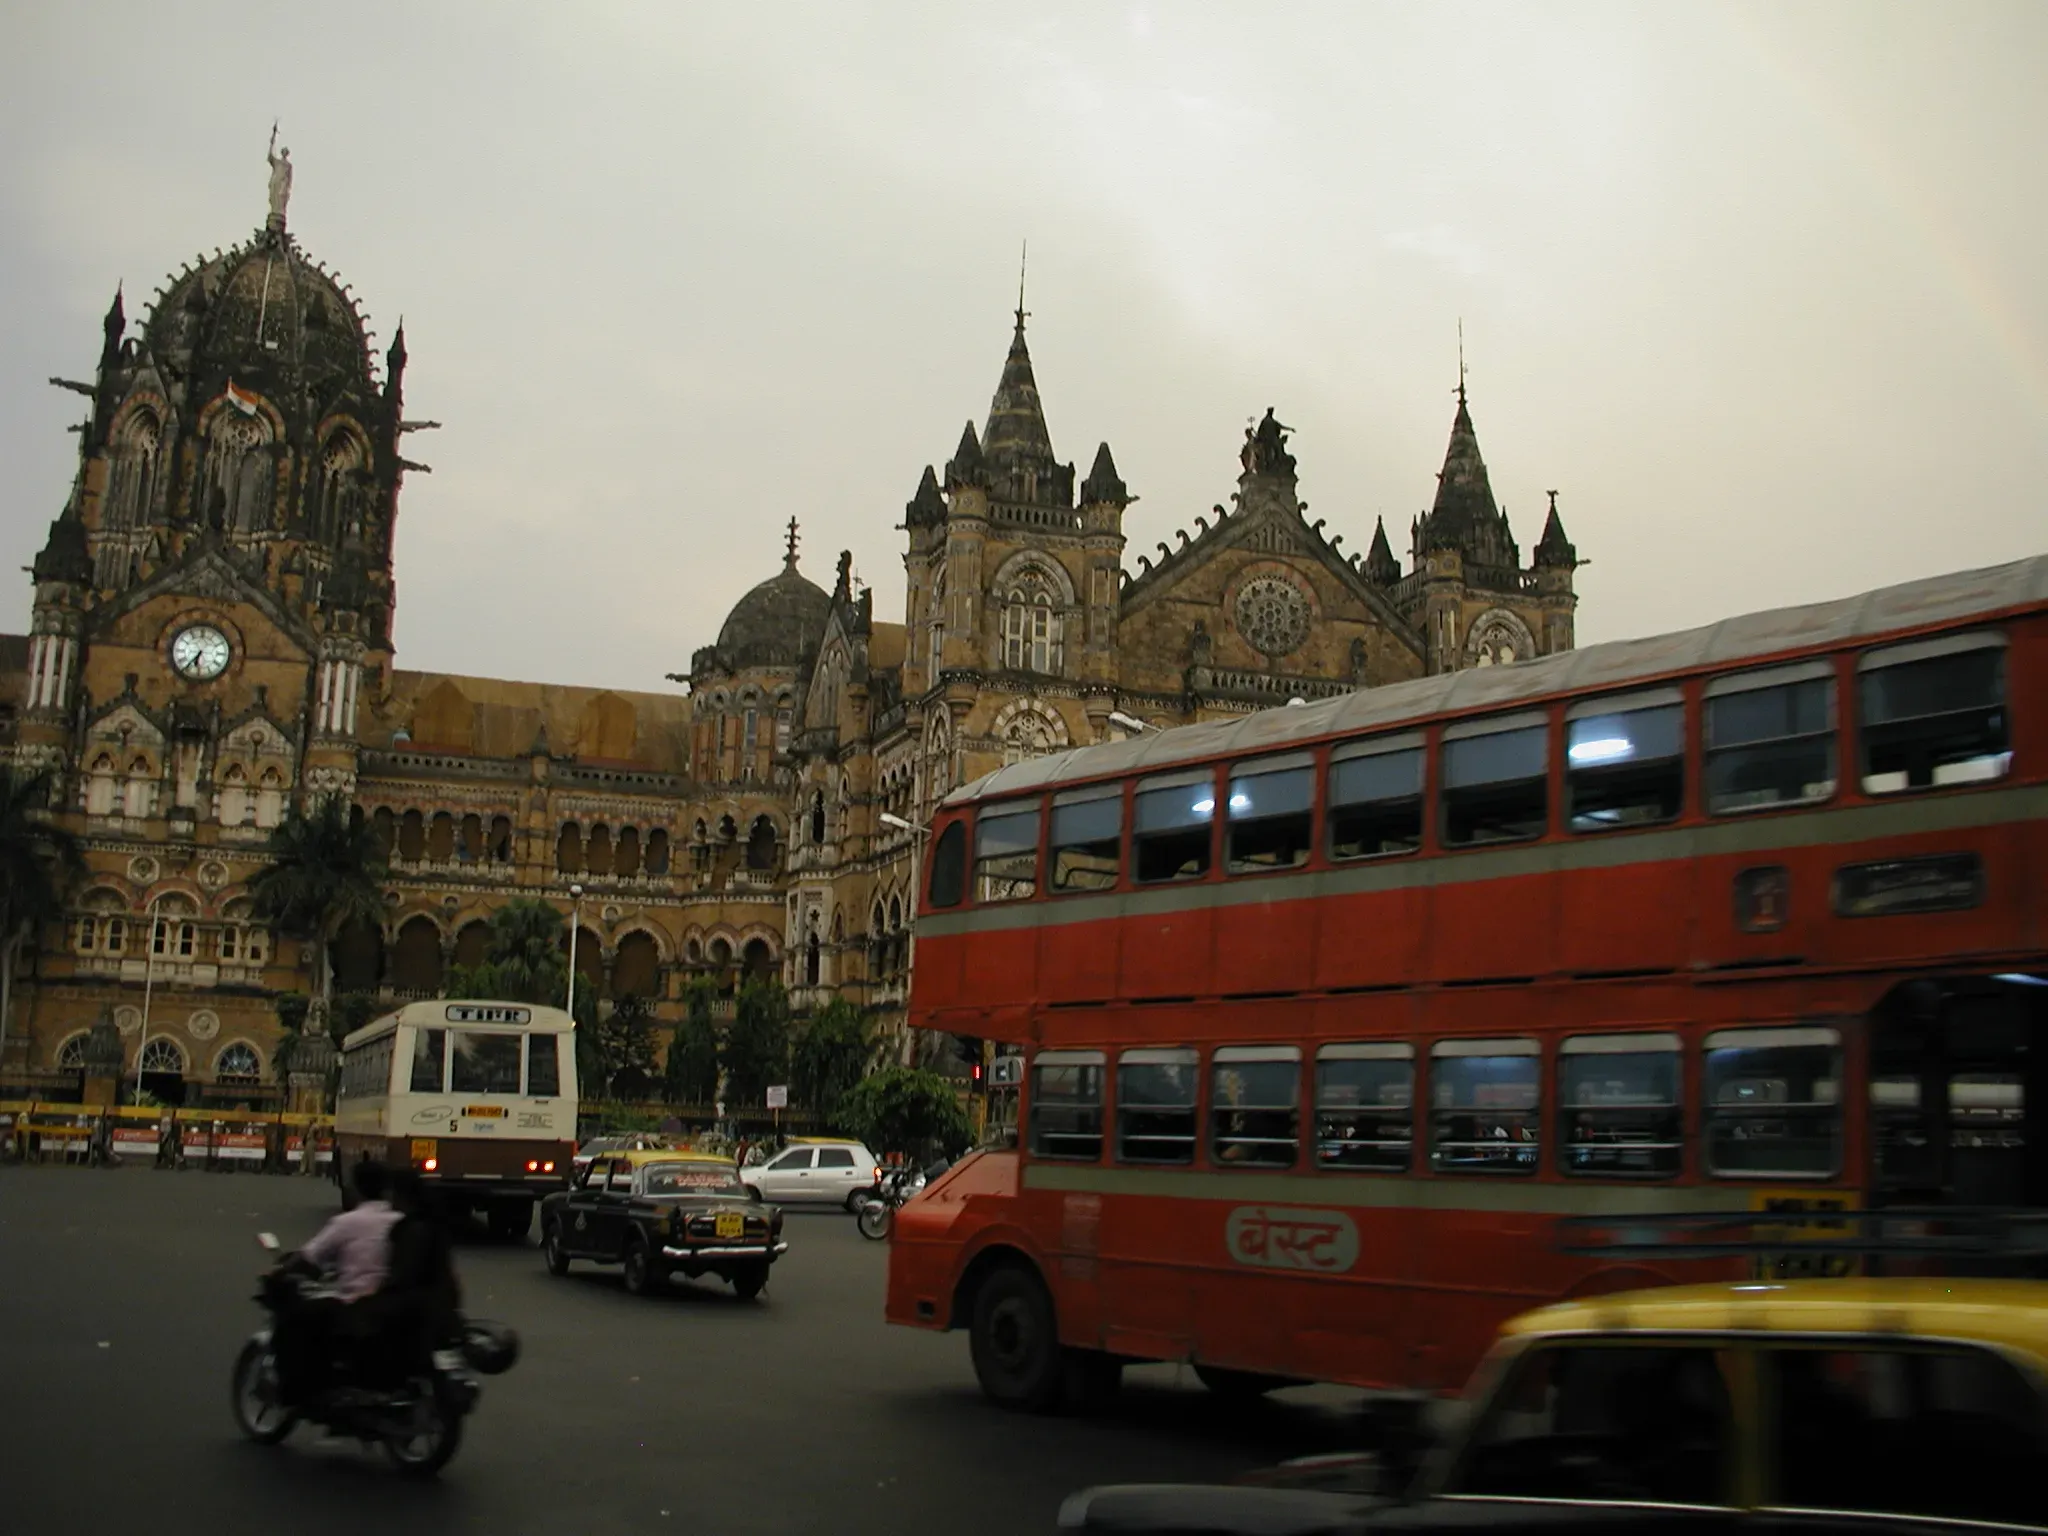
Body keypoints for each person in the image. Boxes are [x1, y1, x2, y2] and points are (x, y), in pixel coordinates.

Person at [274, 1159, 399, 1403]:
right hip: (394, 1305)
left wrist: (280, 1270)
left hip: (357, 1305)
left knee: (294, 1321)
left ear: (356, 1189)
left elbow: (309, 1256)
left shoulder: (347, 1222)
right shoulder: (400, 1221)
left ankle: (299, 1393)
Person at [365, 1169, 463, 1385]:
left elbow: (403, 1276)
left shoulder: (414, 1230)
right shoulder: (430, 1224)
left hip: (417, 1310)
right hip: (439, 1307)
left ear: (401, 1195)